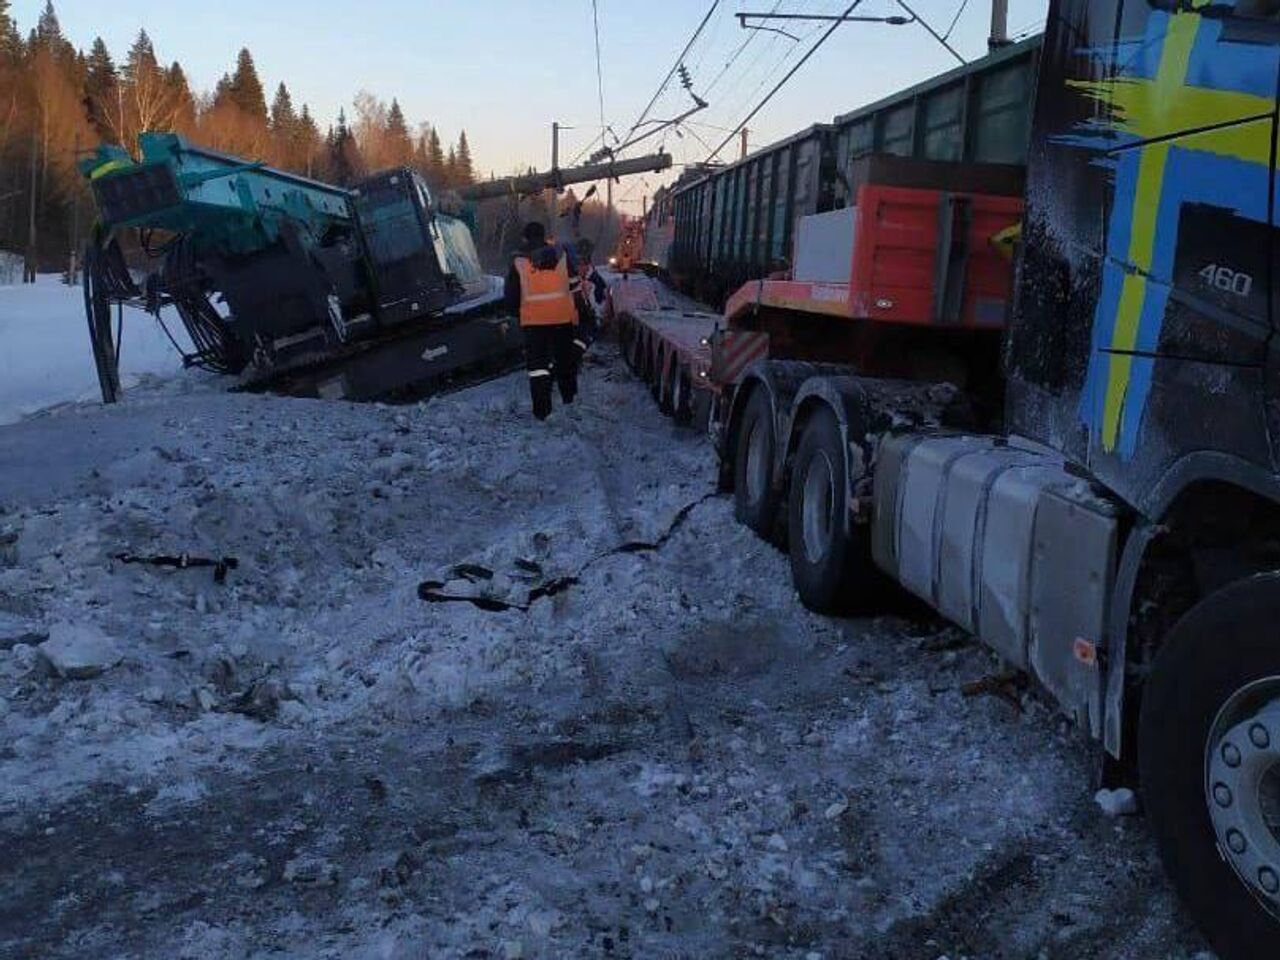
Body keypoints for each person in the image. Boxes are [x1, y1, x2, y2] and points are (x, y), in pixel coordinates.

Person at [505, 222, 579, 420]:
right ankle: (569, 399)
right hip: (562, 318)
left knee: (538, 367)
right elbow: (574, 284)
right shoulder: (561, 255)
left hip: (534, 322)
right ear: (544, 235)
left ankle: (542, 411)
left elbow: (512, 294)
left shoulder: (518, 261)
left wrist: (515, 314)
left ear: (525, 237)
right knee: (564, 360)